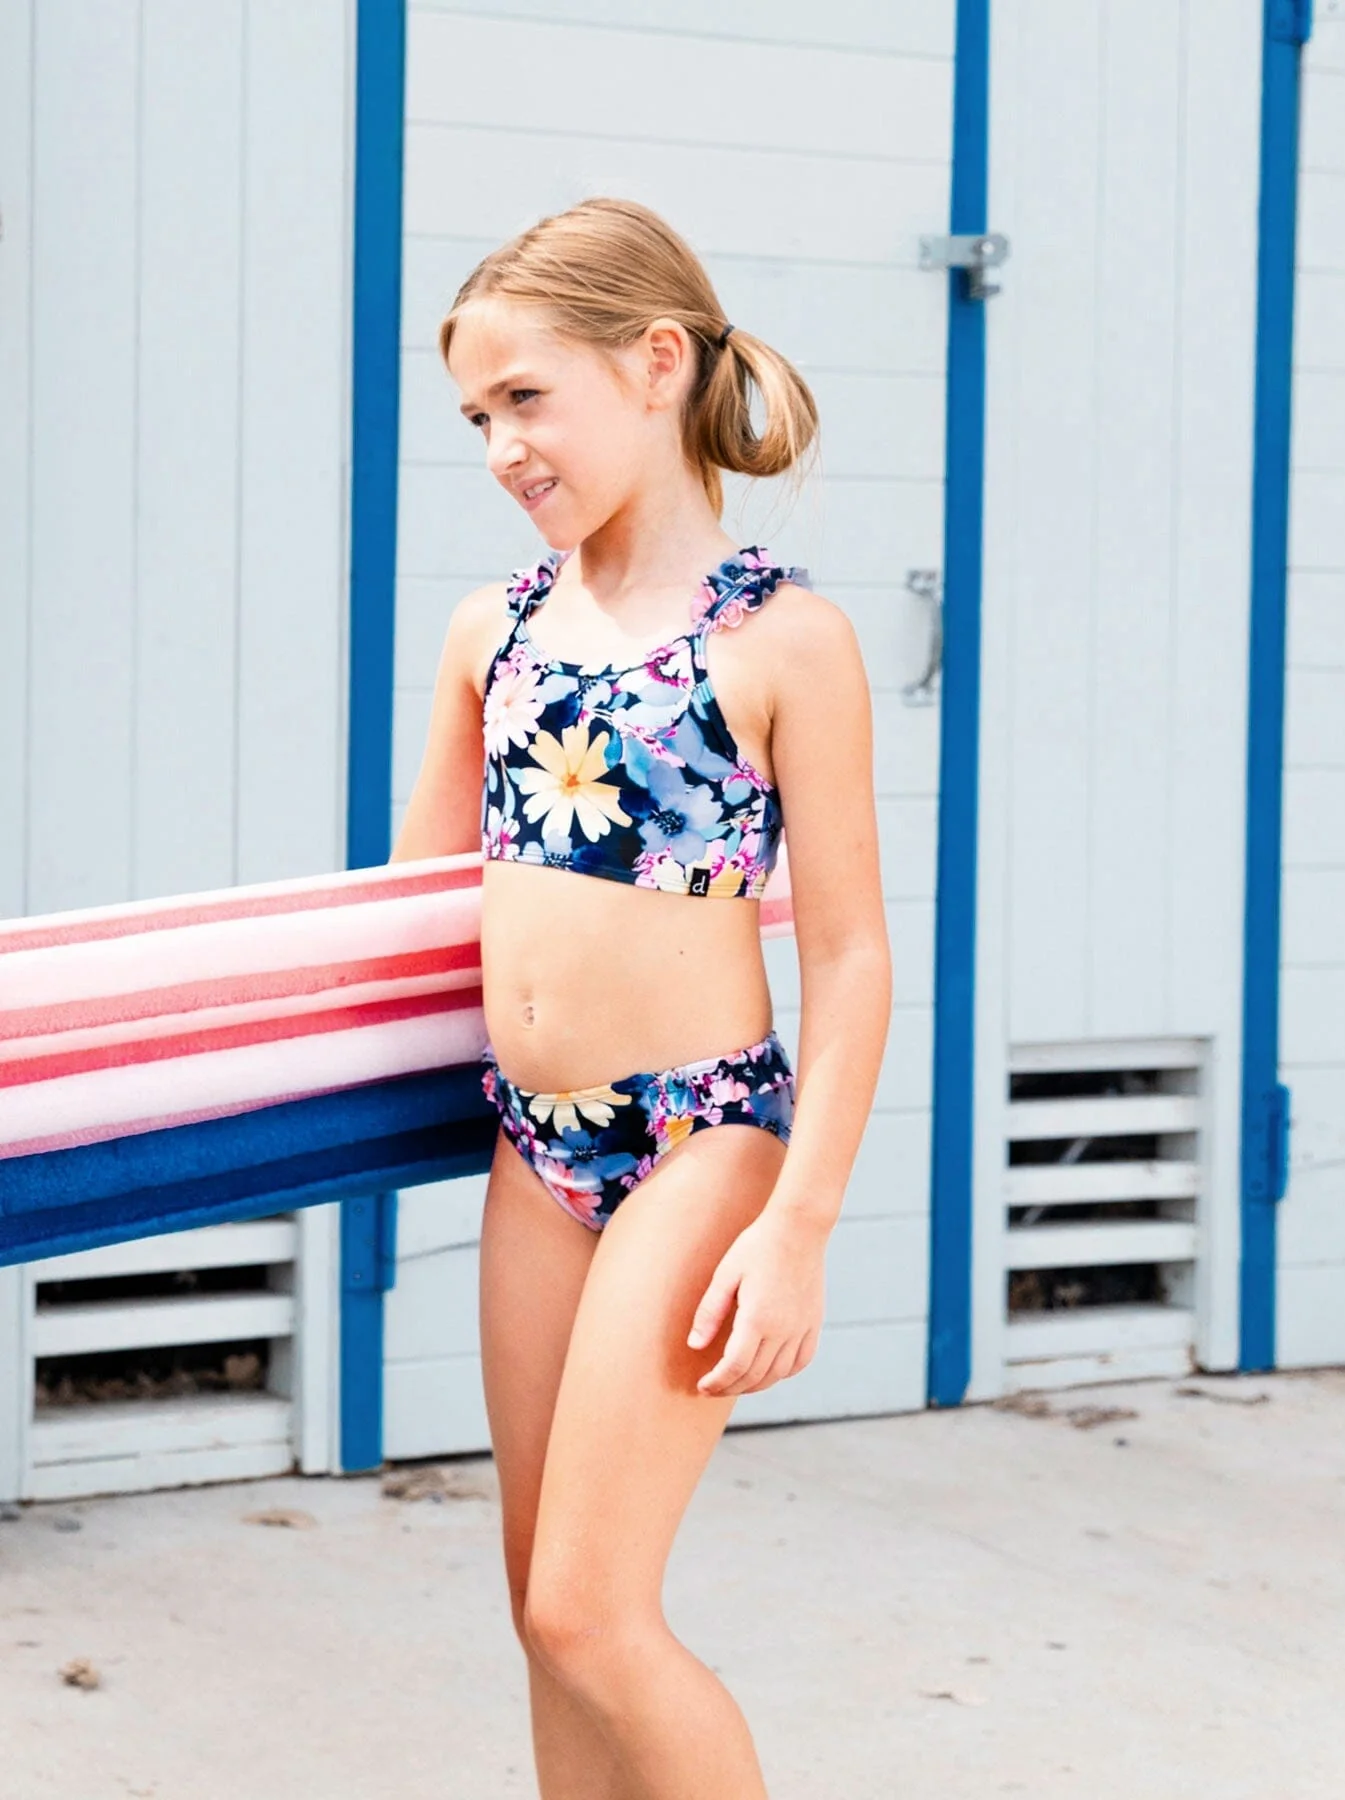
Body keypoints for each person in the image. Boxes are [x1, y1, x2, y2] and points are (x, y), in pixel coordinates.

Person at [392, 196, 891, 1800]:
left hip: (698, 1142)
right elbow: (416, 908)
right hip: (536, 1146)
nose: (502, 450)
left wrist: (800, 1227)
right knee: (540, 1617)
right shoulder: (493, 632)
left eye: (527, 399)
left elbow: (851, 954)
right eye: (477, 417)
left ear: (658, 363)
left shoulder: (782, 642)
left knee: (591, 1613)